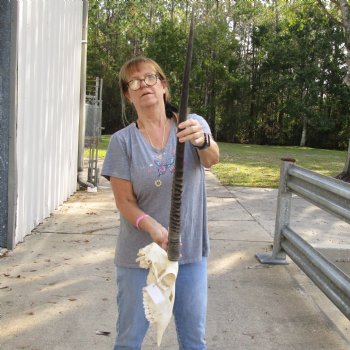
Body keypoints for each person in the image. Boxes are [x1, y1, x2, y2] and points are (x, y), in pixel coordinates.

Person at [102, 56, 220, 350]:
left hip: (189, 250)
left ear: (164, 85)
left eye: (150, 77)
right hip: (139, 256)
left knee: (194, 341)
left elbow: (212, 160)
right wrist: (151, 226)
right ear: (128, 95)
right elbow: (125, 201)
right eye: (134, 81)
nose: (144, 85)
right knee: (129, 340)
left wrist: (202, 141)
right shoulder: (122, 142)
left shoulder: (191, 125)